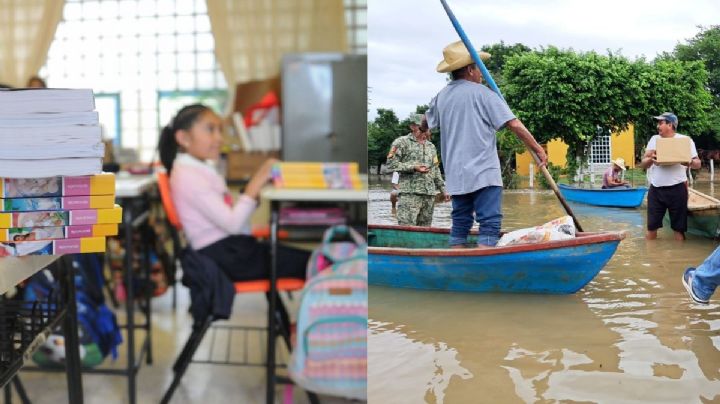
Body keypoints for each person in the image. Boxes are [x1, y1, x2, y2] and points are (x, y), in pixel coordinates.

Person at [158, 104, 309, 282]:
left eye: (220, 130)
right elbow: (232, 224)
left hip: (230, 250)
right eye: (210, 130)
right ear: (184, 138)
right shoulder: (188, 176)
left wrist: (252, 193)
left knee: (307, 258)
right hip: (224, 256)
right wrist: (258, 179)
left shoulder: (197, 169)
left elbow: (229, 216)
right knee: (315, 262)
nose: (219, 138)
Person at [421, 40, 547, 248]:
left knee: (460, 223)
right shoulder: (485, 94)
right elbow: (514, 124)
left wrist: (425, 127)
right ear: (471, 70)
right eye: (479, 68)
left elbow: (426, 121)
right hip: (484, 173)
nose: (481, 73)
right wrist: (538, 148)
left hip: (456, 175)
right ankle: (483, 261)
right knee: (489, 224)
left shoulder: (440, 97)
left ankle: (458, 263)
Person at [638, 112, 701, 241]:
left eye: (660, 123)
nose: (658, 126)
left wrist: (688, 161)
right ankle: (652, 258)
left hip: (678, 189)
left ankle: (678, 259)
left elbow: (698, 164)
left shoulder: (685, 141)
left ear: (670, 125)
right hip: (656, 190)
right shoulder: (654, 140)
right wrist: (651, 158)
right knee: (651, 229)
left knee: (679, 230)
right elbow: (643, 164)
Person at [386, 113, 449, 226]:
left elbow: (436, 170)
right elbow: (390, 164)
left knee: (425, 232)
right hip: (410, 194)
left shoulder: (431, 147)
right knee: (406, 229)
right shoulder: (401, 142)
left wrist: (443, 190)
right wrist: (413, 167)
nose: (426, 129)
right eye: (423, 126)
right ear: (412, 126)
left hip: (429, 195)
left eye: (428, 127)